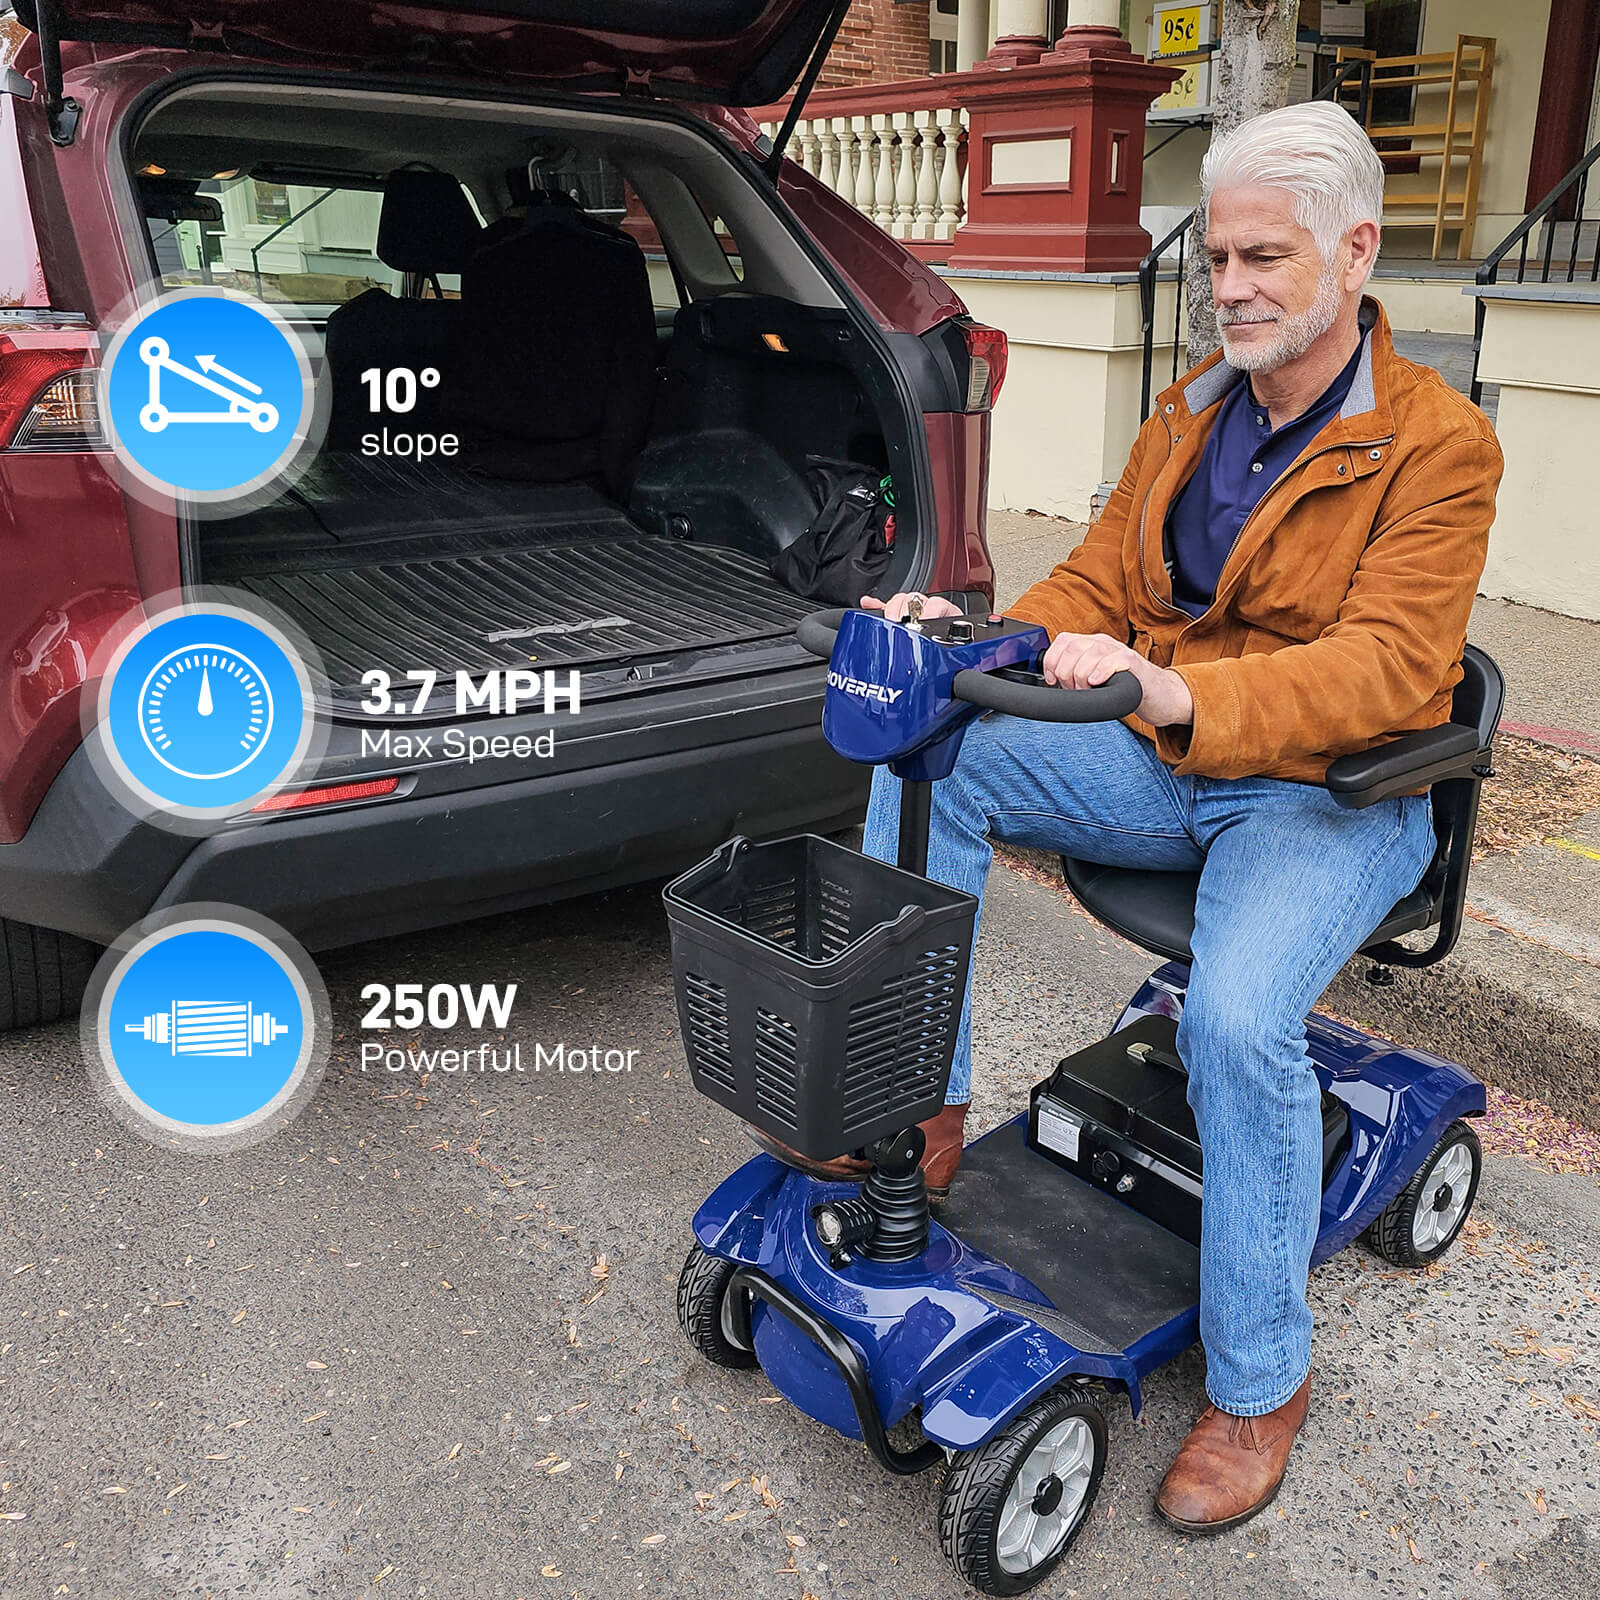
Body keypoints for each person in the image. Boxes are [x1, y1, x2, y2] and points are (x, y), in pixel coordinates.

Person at [752, 101, 1503, 1532]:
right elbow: (1093, 588)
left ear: (1354, 256)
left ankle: (1261, 1384)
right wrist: (969, 648)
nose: (1230, 287)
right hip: (1175, 760)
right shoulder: (1190, 411)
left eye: (1264, 257)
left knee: (1231, 1024)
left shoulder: (1439, 446)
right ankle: (927, 1110)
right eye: (1218, 255)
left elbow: (1394, 671)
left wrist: (1172, 694)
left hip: (1332, 795)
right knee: (931, 757)